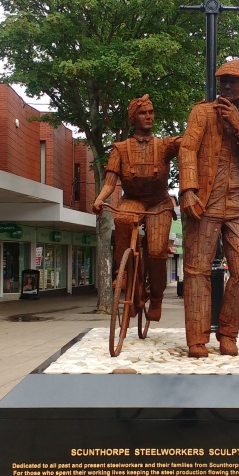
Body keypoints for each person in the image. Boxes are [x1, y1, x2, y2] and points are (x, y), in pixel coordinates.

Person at [179, 59, 239, 357]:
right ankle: (196, 339)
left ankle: (228, 334)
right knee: (196, 270)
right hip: (205, 202)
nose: (228, 86)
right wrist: (189, 190)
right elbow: (187, 150)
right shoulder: (201, 113)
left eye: (234, 81)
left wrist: (238, 125)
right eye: (224, 81)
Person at [93, 94, 180, 322]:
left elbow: (185, 143)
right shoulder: (120, 149)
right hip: (133, 199)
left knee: (157, 251)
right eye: (143, 113)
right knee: (121, 219)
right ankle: (126, 277)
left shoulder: (163, 145)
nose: (149, 116)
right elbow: (110, 183)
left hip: (159, 202)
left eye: (151, 112)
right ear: (134, 118)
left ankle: (158, 297)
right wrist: (99, 200)